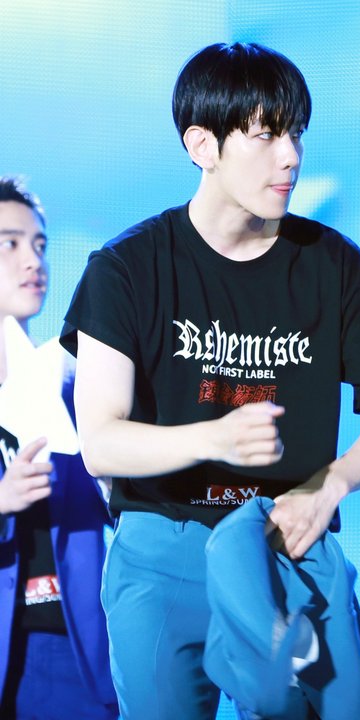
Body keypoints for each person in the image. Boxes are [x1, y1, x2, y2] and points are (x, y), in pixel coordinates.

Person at [60, 42, 360, 720]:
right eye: (266, 135)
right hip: (162, 549)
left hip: (288, 543)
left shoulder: (334, 265)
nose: (290, 156)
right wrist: (214, 438)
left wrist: (331, 484)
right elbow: (101, 443)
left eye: (296, 134)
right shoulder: (126, 268)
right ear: (203, 145)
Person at [0, 177, 118, 720]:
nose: (33, 260)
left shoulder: (76, 381)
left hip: (74, 653)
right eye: (10, 243)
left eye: (40, 244)